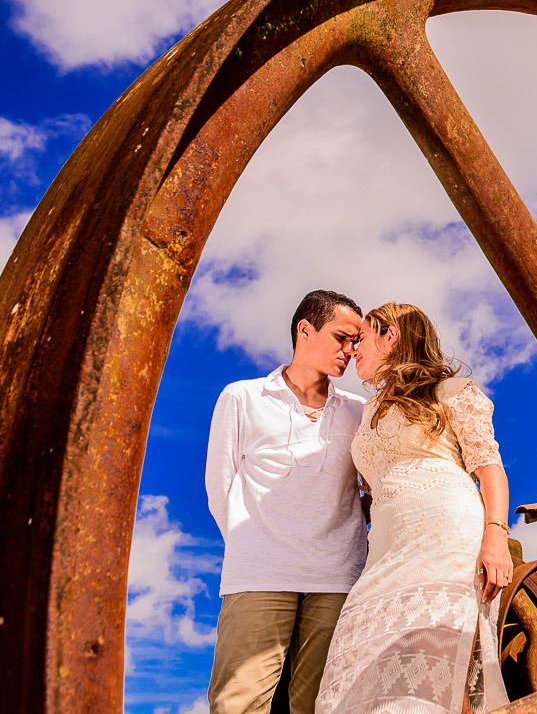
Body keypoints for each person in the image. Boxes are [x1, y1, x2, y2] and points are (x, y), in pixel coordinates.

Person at [316, 303, 512, 714]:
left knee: (437, 667)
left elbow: (489, 466)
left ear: (390, 336)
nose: (353, 349)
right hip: (385, 551)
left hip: (447, 537)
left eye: (361, 338)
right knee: (351, 674)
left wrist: (496, 535)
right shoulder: (368, 409)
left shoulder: (451, 392)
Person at [206, 290, 369, 714]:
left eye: (356, 342)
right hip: (259, 574)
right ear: (305, 330)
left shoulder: (359, 411)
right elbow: (219, 486)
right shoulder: (242, 397)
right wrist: (253, 548)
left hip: (337, 578)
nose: (350, 350)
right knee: (238, 704)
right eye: (341, 337)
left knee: (323, 705)